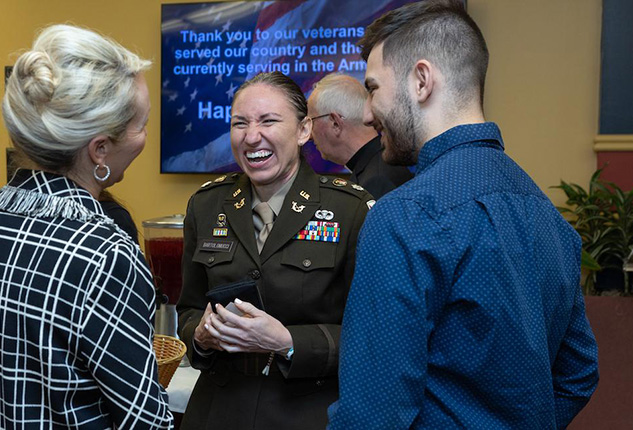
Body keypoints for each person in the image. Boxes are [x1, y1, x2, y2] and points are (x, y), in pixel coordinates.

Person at [327, 1, 599, 428]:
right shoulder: (550, 218)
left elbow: (372, 415)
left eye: (373, 88)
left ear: (421, 80)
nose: (366, 112)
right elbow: (578, 373)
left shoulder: (403, 217)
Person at [0, 24, 173, 429]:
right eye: (142, 124)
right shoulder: (105, 253)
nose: (144, 137)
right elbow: (142, 418)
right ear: (100, 149)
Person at [177, 71, 374, 429]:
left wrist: (288, 341)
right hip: (218, 410)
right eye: (240, 124)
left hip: (307, 411)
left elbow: (372, 335)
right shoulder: (206, 205)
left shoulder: (350, 210)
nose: (252, 137)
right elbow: (189, 308)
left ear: (303, 131)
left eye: (268, 121)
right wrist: (201, 336)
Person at [308, 73, 413, 198]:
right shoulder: (378, 168)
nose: (309, 135)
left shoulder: (376, 183)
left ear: (335, 123)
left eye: (312, 121)